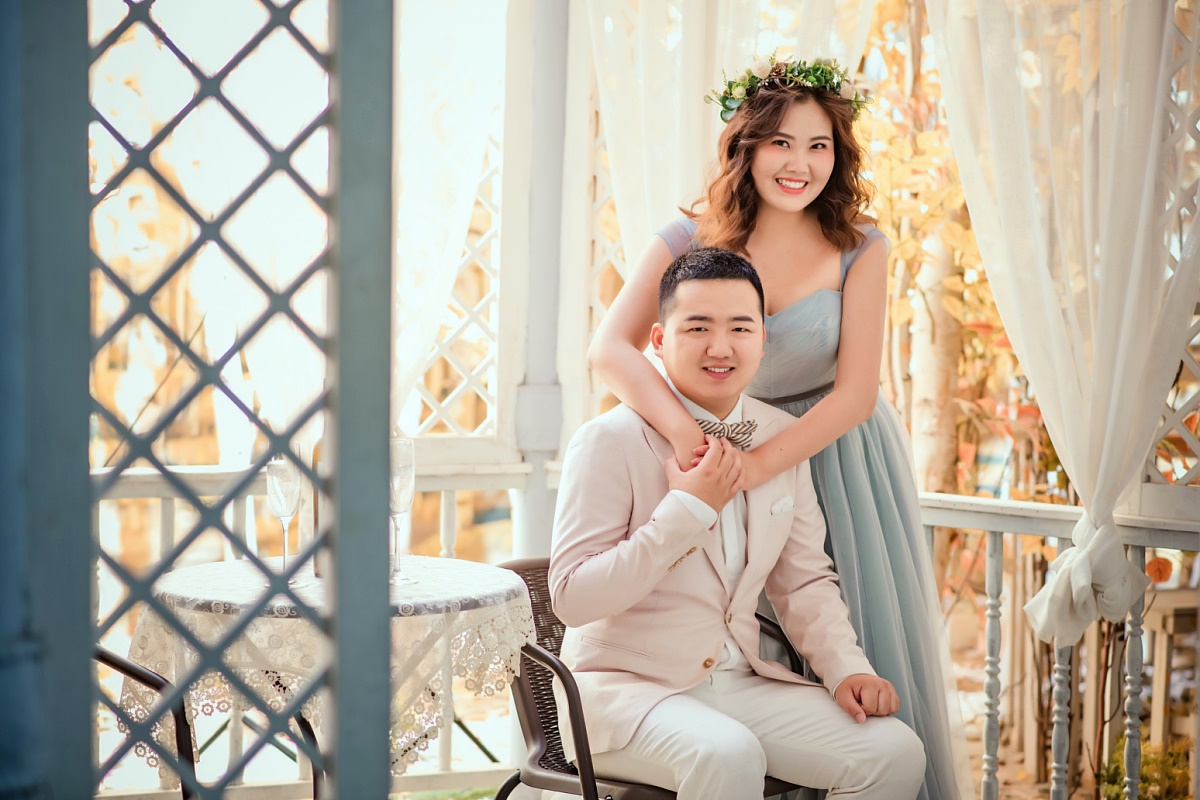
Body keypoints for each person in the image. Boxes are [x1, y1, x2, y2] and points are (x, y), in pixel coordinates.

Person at [587, 56, 973, 800]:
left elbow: (856, 393)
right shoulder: (688, 236)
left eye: (819, 145)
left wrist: (757, 468)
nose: (800, 164)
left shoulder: (861, 243)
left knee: (836, 631)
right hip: (718, 439)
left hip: (836, 455)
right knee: (720, 635)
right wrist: (694, 443)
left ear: (839, 153)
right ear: (747, 147)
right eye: (781, 143)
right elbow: (612, 350)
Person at [549, 247, 927, 799]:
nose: (720, 347)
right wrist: (686, 511)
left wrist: (848, 669)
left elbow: (804, 581)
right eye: (698, 327)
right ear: (659, 340)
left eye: (740, 328)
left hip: (742, 681)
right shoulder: (607, 440)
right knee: (727, 753)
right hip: (625, 693)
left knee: (893, 752)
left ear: (763, 339)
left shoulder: (780, 441)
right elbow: (572, 598)